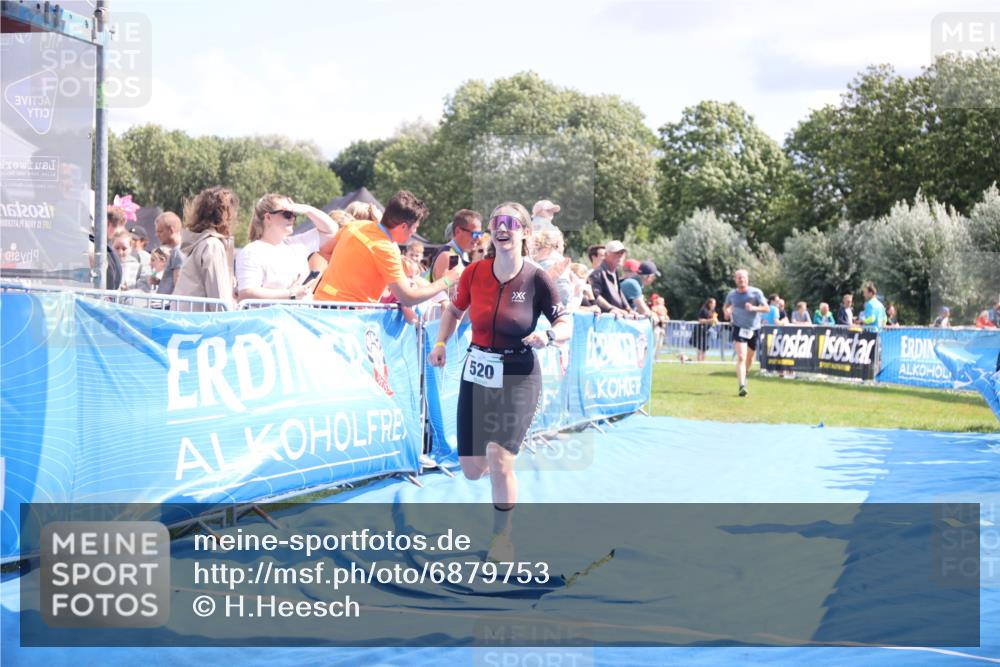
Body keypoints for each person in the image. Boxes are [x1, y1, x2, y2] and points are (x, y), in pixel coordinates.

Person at [428, 202, 572, 563]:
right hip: (477, 371)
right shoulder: (475, 273)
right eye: (497, 223)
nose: (502, 229)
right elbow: (454, 310)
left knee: (499, 457)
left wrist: (549, 337)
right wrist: (442, 342)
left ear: (524, 232)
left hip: (519, 375)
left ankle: (501, 539)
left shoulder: (538, 277)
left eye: (511, 223)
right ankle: (500, 470)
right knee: (473, 469)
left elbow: (565, 323)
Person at [314, 190, 460, 306]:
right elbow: (408, 297)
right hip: (348, 318)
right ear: (403, 226)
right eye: (415, 227)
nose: (414, 232)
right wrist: (446, 280)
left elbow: (325, 251)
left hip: (321, 306)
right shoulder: (386, 250)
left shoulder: (356, 225)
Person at [235, 194, 339, 301]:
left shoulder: (297, 244)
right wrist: (291, 293)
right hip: (271, 317)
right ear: (268, 217)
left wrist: (306, 209)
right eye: (287, 214)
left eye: (294, 214)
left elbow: (331, 230)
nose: (292, 218)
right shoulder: (251, 252)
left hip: (300, 315)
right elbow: (246, 293)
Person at [174, 186, 239, 309]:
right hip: (199, 323)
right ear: (226, 215)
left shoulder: (199, 243)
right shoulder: (212, 245)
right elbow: (219, 299)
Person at [723, 269, 769, 397]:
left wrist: (754, 308)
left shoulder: (756, 292)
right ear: (735, 280)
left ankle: (745, 374)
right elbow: (726, 306)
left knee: (750, 358)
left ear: (747, 279)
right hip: (739, 327)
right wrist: (726, 312)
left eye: (743, 277)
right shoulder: (732, 294)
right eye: (738, 278)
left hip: (754, 328)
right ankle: (742, 386)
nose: (741, 279)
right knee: (742, 357)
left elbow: (767, 308)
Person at [432, 209, 483, 280]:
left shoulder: (463, 254)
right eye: (475, 234)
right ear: (458, 231)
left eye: (480, 234)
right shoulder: (451, 256)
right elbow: (452, 290)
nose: (479, 238)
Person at [588, 240, 632, 316]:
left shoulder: (614, 272)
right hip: (605, 321)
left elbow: (619, 293)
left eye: (622, 253)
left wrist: (629, 309)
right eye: (617, 253)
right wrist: (611, 309)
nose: (620, 256)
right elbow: (596, 296)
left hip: (616, 318)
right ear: (606, 254)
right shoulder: (597, 274)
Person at [532, 227, 572, 306]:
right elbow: (564, 298)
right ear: (556, 245)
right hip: (553, 314)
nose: (563, 248)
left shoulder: (528, 263)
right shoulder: (558, 266)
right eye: (563, 245)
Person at [154, 211, 184, 295]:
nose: (157, 235)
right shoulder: (179, 250)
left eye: (160, 231)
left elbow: (178, 284)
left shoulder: (177, 252)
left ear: (171, 230)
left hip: (167, 305)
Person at [695, 297, 718, 362]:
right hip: (701, 330)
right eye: (714, 303)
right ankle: (699, 360)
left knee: (705, 347)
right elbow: (700, 320)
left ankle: (703, 360)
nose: (715, 305)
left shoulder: (713, 311)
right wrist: (710, 320)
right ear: (710, 304)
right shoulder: (703, 310)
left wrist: (715, 321)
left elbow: (715, 320)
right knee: (700, 346)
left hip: (708, 331)